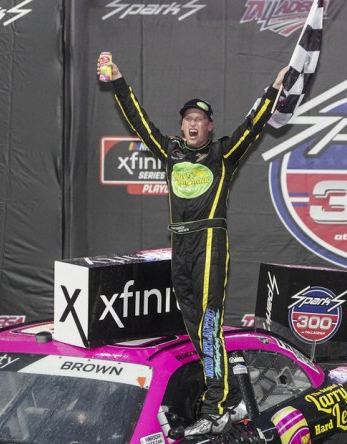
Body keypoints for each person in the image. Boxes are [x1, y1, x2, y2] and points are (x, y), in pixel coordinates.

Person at [98, 55, 288, 436]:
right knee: (192, 325)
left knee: (208, 325)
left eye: (199, 120)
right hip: (179, 241)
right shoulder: (171, 151)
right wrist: (118, 80)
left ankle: (215, 406)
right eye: (188, 119)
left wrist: (274, 89)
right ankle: (229, 396)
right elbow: (139, 123)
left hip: (210, 239)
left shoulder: (222, 154)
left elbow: (253, 126)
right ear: (182, 125)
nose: (192, 124)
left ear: (209, 126)